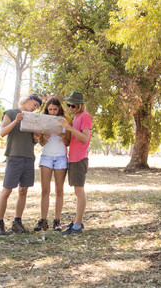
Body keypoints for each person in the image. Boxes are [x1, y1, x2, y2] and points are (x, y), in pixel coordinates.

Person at [0, 93, 42, 236]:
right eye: (34, 105)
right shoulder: (10, 113)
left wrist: (36, 138)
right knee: (7, 190)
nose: (35, 108)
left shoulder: (33, 118)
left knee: (23, 191)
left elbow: (33, 141)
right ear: (28, 100)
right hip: (14, 157)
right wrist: (16, 121)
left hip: (29, 158)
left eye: (37, 107)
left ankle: (17, 222)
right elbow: (2, 132)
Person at [34, 98, 73, 232]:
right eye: (50, 109)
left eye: (55, 109)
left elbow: (69, 142)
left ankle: (57, 221)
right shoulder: (43, 119)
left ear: (59, 109)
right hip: (46, 157)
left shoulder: (66, 120)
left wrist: (63, 137)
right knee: (45, 190)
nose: (52, 112)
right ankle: (43, 220)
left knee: (59, 191)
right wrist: (44, 138)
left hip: (61, 157)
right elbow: (40, 142)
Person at [60, 91, 92, 234]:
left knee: (79, 191)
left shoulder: (85, 116)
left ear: (79, 105)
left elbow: (85, 138)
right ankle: (77, 221)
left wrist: (70, 128)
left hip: (80, 159)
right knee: (76, 191)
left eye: (73, 105)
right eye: (68, 105)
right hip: (72, 158)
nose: (70, 108)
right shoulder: (76, 117)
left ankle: (78, 225)